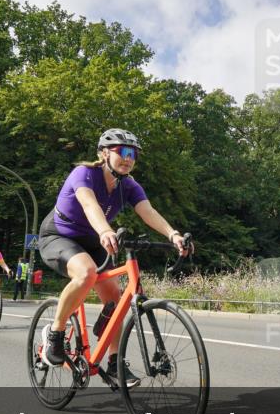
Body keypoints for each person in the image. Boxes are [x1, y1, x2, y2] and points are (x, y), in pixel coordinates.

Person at [37, 128, 190, 386]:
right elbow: (89, 204)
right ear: (104, 153)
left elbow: (148, 211)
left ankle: (115, 363)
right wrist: (106, 230)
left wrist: (173, 235)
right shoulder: (83, 173)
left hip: (94, 239)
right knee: (86, 273)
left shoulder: (128, 185)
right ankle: (55, 334)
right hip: (59, 236)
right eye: (123, 152)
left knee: (116, 299)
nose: (129, 158)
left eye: (134, 154)